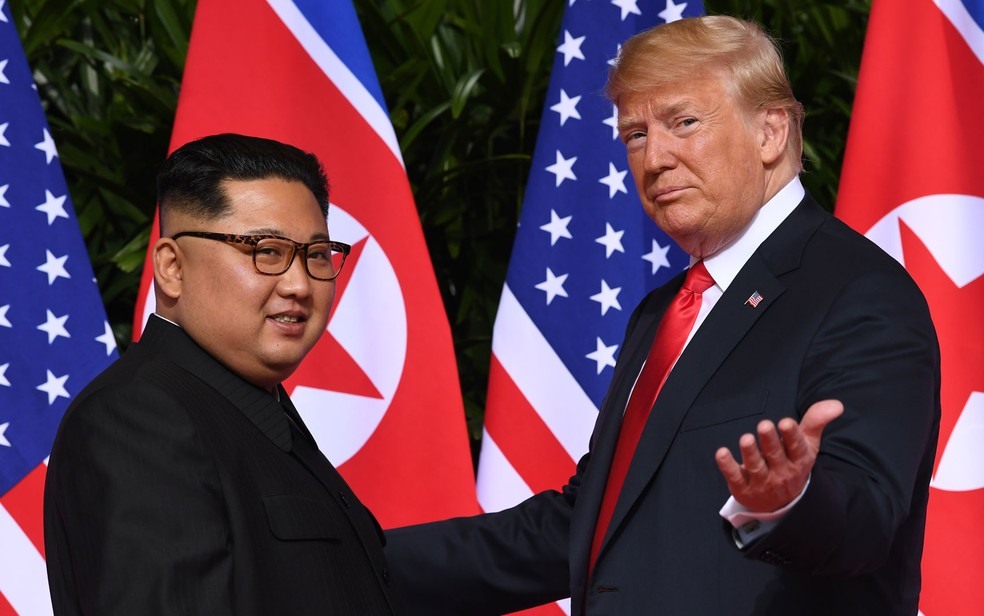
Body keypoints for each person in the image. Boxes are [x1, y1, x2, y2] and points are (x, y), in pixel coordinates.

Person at [386, 15, 940, 616]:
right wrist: (347, 557)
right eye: (635, 135)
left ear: (771, 133)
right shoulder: (663, 310)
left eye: (684, 123)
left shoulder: (859, 292)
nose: (654, 159)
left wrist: (789, 501)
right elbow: (588, 526)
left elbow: (867, 520)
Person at [44, 133, 400, 615]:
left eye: (317, 255)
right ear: (171, 267)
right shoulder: (136, 417)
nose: (299, 284)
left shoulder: (248, 402)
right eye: (265, 251)